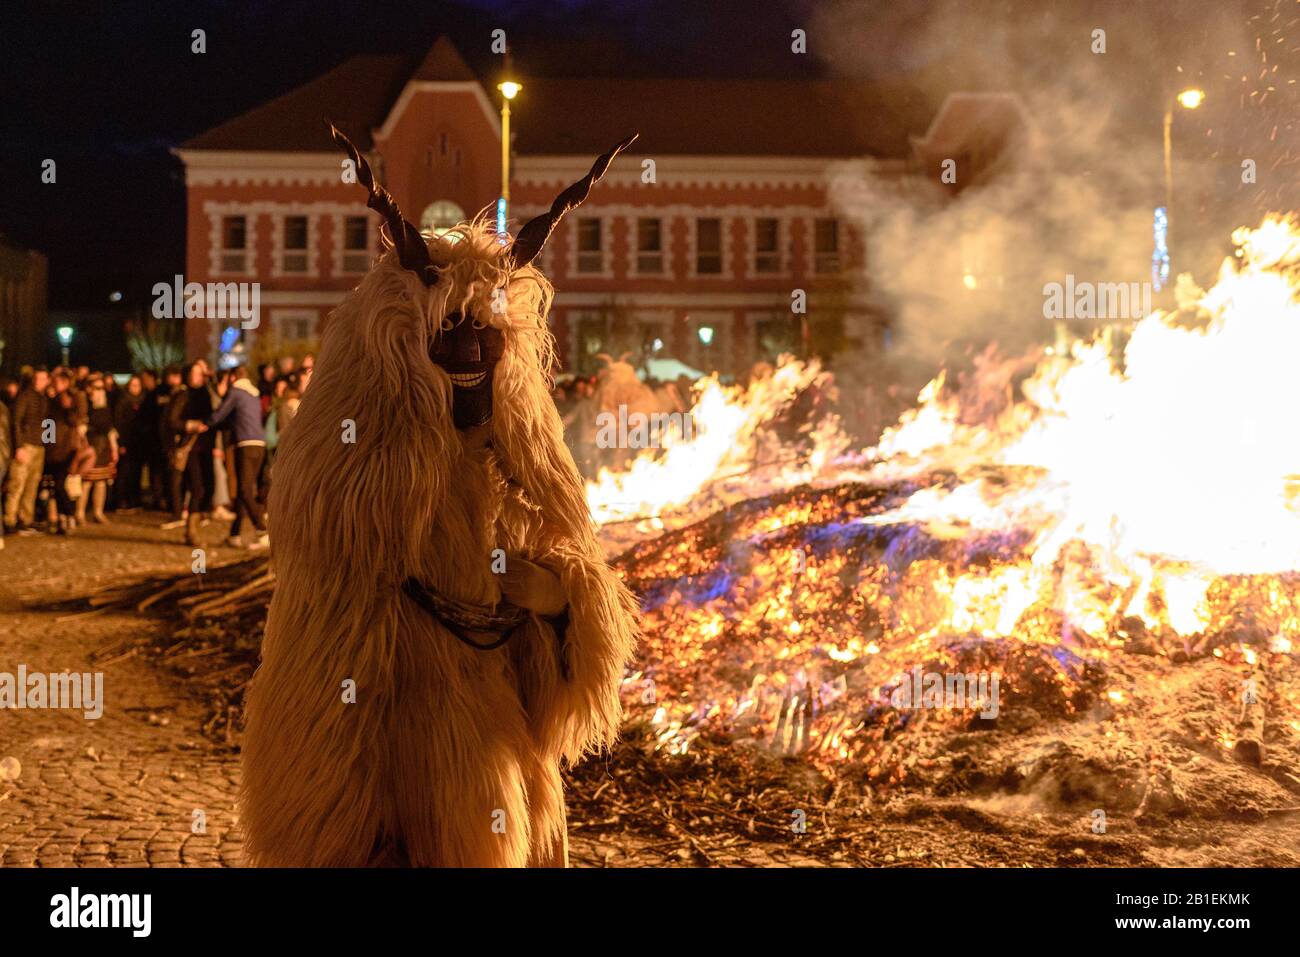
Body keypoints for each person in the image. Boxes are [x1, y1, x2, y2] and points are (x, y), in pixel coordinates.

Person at [240, 127, 638, 868]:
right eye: (452, 349)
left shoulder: (524, 462)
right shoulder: (354, 467)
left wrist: (555, 599)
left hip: (501, 751)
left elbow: (576, 611)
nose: (471, 372)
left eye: (486, 352)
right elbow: (334, 580)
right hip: (394, 750)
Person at [203, 364, 268, 548]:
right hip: (259, 444)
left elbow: (221, 413)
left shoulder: (237, 391)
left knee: (245, 490)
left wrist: (206, 424)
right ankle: (235, 534)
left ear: (233, 378)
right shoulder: (253, 394)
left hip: (245, 444)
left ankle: (262, 528)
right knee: (243, 490)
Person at [4, 367, 50, 534]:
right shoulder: (25, 396)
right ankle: (10, 519)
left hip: (39, 445)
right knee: (18, 483)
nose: (42, 382)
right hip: (27, 445)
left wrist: (48, 443)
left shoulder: (44, 398)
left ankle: (25, 518)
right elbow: (16, 421)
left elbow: (47, 421)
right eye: (39, 379)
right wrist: (19, 446)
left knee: (32, 484)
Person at [76, 376, 118, 524]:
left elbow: (109, 427)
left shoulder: (105, 407)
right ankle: (79, 512)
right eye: (96, 388)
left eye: (102, 388)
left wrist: (114, 447)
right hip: (90, 446)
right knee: (86, 481)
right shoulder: (85, 405)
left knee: (101, 481)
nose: (99, 391)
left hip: (103, 447)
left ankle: (98, 512)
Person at [113, 375, 145, 510]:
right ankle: (121, 500)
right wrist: (121, 443)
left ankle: (134, 499)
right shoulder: (123, 401)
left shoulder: (143, 400)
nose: (135, 388)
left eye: (138, 385)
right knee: (124, 472)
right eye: (133, 385)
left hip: (139, 442)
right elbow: (119, 422)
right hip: (127, 441)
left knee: (136, 473)